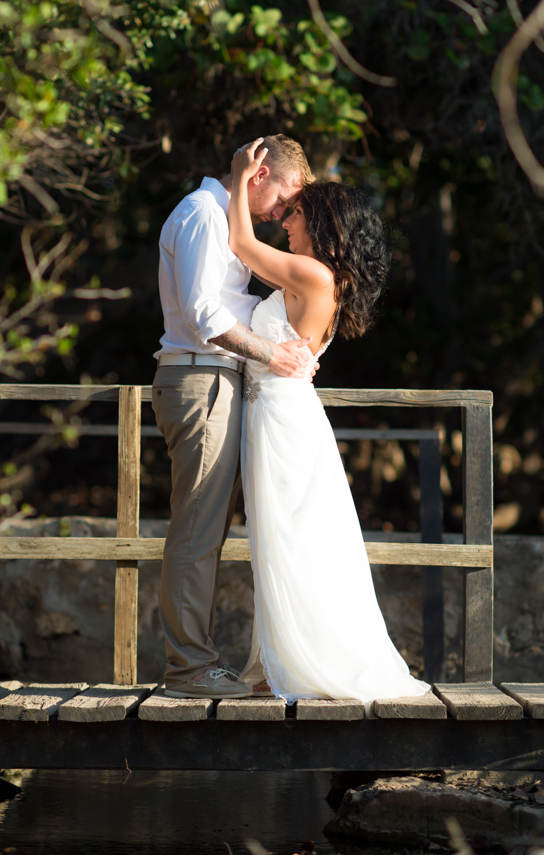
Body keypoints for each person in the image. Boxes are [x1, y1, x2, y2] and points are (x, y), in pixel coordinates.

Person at [227, 140, 431, 714]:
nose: (286, 225)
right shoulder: (319, 276)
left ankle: (292, 661)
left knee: (286, 538)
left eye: (294, 216)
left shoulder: (312, 273)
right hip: (284, 411)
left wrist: (242, 176)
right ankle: (274, 660)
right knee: (283, 536)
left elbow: (241, 244)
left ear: (321, 222)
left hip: (281, 418)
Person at [154, 135, 317, 700]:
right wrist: (273, 354)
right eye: (286, 195)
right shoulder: (202, 215)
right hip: (201, 378)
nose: (282, 211)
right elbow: (204, 314)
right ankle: (189, 670)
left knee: (207, 529)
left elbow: (230, 305)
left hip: (214, 379)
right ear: (259, 171)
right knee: (197, 529)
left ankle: (195, 663)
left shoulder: (221, 219)